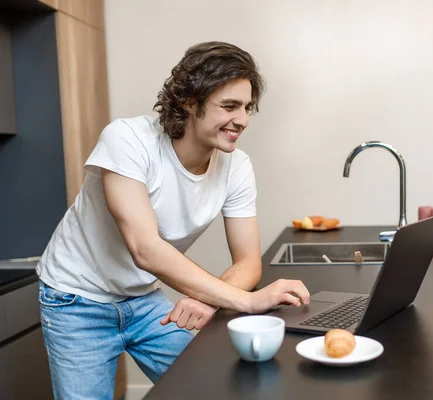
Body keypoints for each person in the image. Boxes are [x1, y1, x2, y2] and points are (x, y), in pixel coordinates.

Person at [36, 41, 310, 400]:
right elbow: (146, 249)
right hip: (76, 300)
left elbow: (247, 261)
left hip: (143, 298)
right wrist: (247, 301)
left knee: (211, 390)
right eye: (229, 106)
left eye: (246, 107)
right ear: (189, 101)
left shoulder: (236, 166)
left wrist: (211, 300)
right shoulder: (128, 140)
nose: (241, 119)